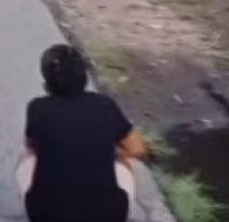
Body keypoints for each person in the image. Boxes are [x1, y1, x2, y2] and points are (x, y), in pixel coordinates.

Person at [23, 44, 147, 222]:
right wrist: (110, 152)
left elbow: (32, 145)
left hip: (45, 216)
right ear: (84, 76)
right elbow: (138, 149)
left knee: (26, 156)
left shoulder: (36, 108)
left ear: (46, 82)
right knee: (126, 164)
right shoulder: (105, 105)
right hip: (109, 216)